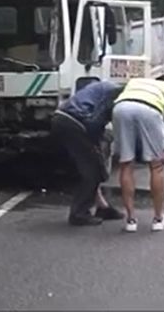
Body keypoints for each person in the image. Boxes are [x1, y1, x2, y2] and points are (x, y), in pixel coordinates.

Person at [113, 77, 164, 233]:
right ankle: (158, 219)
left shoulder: (135, 82)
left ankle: (130, 220)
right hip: (150, 110)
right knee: (156, 166)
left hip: (121, 108)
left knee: (126, 164)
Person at [52, 81, 125, 226]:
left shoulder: (106, 87)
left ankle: (102, 207)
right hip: (74, 122)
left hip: (64, 118)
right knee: (93, 170)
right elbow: (95, 121)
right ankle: (79, 213)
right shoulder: (115, 95)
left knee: (93, 167)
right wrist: (96, 144)